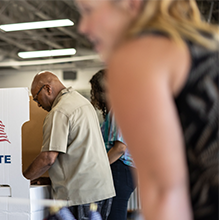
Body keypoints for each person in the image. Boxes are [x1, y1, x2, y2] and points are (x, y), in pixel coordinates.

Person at [76, 0, 219, 219]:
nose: (82, 27)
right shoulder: (208, 45)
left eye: (88, 11)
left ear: (129, 4)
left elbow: (165, 192)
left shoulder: (137, 60)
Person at [23, 71, 115, 220]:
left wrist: (22, 179)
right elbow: (81, 151)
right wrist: (51, 179)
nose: (38, 104)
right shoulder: (82, 102)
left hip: (81, 196)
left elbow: (48, 158)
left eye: (36, 98)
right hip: (101, 191)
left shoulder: (59, 111)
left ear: (48, 89)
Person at [90, 69, 136, 220]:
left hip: (120, 168)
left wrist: (99, 167)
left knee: (114, 214)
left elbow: (120, 147)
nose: (94, 95)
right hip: (125, 169)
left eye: (95, 91)